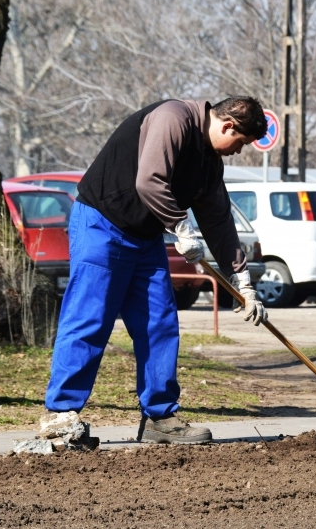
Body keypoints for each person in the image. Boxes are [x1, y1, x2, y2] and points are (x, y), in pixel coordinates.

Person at [45, 97, 269, 444]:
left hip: (146, 237)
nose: (238, 151)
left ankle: (159, 417)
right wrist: (181, 227)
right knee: (90, 319)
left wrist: (242, 281)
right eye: (240, 143)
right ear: (228, 126)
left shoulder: (209, 162)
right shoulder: (172, 118)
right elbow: (149, 180)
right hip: (102, 225)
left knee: (159, 325)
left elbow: (218, 218)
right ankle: (61, 416)